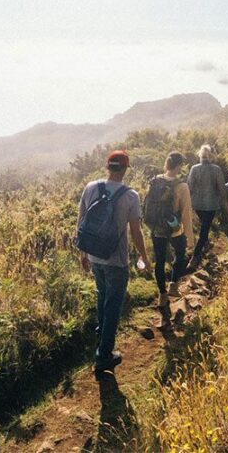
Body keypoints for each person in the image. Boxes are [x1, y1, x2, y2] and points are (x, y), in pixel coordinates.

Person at [78, 150, 150, 373]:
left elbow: (81, 221)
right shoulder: (130, 196)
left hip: (94, 256)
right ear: (126, 168)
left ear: (107, 167)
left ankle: (102, 339)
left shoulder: (91, 188)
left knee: (102, 298)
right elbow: (136, 232)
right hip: (116, 259)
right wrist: (144, 257)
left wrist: (82, 253)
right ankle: (104, 355)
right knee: (113, 306)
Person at [144, 152, 194, 330]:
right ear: (179, 165)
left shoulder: (155, 181)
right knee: (180, 254)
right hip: (174, 230)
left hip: (157, 229)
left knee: (159, 260)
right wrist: (190, 237)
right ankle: (173, 284)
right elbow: (186, 212)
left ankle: (162, 294)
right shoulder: (182, 186)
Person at [187, 144, 226, 267]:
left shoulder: (194, 168)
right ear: (210, 156)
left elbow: (189, 187)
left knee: (205, 226)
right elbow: (222, 189)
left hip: (197, 204)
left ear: (200, 155)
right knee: (204, 230)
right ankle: (195, 257)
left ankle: (207, 244)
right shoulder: (216, 169)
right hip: (211, 204)